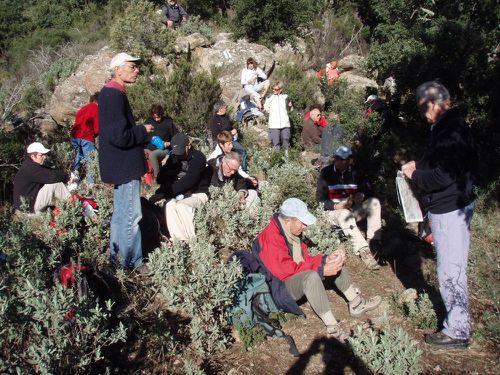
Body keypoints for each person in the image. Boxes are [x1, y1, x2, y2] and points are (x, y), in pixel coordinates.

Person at [402, 81, 477, 349]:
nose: (423, 114)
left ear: (434, 104)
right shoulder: (448, 127)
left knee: (450, 271)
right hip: (451, 206)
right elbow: (444, 163)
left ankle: (457, 330)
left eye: (424, 109)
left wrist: (415, 175)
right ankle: (457, 322)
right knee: (451, 268)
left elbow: (443, 175)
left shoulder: (450, 132)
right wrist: (419, 164)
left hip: (450, 209)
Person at [253, 198, 382, 341]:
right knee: (311, 277)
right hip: (277, 290)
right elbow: (285, 272)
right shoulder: (271, 237)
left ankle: (356, 303)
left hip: (290, 279)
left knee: (333, 262)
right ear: (288, 220)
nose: (305, 226)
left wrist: (325, 259)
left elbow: (304, 261)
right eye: (302, 222)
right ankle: (333, 328)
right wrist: (321, 270)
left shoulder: (290, 232)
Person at [98, 52, 154, 274]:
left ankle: (117, 259)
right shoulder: (113, 95)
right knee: (131, 215)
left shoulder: (111, 93)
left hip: (120, 166)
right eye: (132, 66)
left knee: (121, 214)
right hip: (125, 166)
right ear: (118, 70)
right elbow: (119, 136)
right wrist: (143, 131)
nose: (136, 70)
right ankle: (132, 263)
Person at [316, 146, 381, 270]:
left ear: (350, 160)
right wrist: (335, 206)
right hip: (333, 213)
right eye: (338, 158)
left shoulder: (356, 172)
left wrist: (361, 194)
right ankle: (364, 252)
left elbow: (366, 188)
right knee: (344, 213)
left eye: (344, 159)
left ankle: (374, 242)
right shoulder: (326, 173)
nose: (340, 161)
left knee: (374, 202)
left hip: (352, 209)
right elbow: (319, 200)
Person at [156, 133, 210, 241]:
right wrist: (171, 171)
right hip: (180, 194)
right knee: (170, 205)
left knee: (181, 206)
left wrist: (164, 193)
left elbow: (188, 181)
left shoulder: (198, 158)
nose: (179, 155)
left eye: (180, 151)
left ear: (188, 145)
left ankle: (192, 242)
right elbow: (160, 178)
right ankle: (179, 241)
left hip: (198, 193)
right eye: (176, 152)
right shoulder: (174, 157)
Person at [13, 142, 74, 214]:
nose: (44, 157)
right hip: (28, 208)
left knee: (54, 182)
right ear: (33, 156)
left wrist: (65, 176)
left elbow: (50, 172)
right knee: (55, 184)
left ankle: (70, 206)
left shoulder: (30, 165)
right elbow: (52, 177)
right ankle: (74, 206)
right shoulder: (31, 169)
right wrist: (67, 176)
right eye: (41, 155)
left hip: (29, 202)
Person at [208, 100, 247, 170]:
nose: (226, 109)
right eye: (225, 107)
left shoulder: (226, 117)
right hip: (220, 142)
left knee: (241, 152)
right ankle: (240, 170)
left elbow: (230, 126)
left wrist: (235, 131)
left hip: (230, 140)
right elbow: (217, 134)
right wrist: (230, 133)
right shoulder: (213, 120)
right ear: (220, 109)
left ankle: (241, 170)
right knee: (241, 151)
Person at [70, 92, 99, 182]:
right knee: (91, 162)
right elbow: (97, 128)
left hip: (74, 136)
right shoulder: (95, 108)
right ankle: (91, 185)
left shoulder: (83, 108)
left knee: (78, 159)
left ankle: (74, 181)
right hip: (86, 137)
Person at [144, 104, 178, 176]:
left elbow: (176, 137)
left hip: (163, 149)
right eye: (154, 117)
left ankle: (158, 177)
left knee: (153, 155)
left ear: (161, 114)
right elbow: (143, 136)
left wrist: (168, 144)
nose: (156, 119)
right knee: (139, 152)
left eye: (158, 117)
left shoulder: (168, 122)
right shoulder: (148, 121)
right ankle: (145, 179)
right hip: (149, 147)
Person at [263, 81, 292, 152]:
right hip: (274, 125)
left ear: (280, 89)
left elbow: (290, 110)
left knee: (286, 143)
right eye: (272, 89)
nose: (273, 91)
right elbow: (266, 109)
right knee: (276, 144)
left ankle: (287, 160)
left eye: (275, 89)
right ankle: (277, 161)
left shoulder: (286, 97)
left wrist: (291, 106)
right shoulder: (269, 98)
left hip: (285, 124)